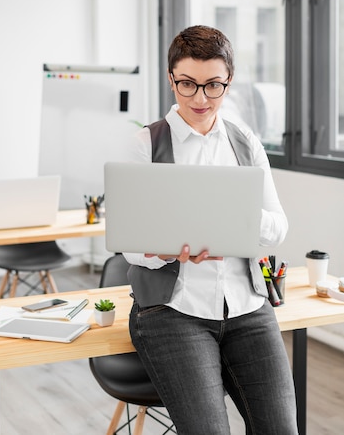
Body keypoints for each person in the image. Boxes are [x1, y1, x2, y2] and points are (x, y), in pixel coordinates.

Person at [123, 25, 298, 435]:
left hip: (248, 306)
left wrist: (231, 215)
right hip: (173, 311)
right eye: (187, 84)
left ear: (228, 82)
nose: (199, 98)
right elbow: (129, 243)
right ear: (171, 80)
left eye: (213, 86)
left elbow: (277, 227)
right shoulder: (145, 145)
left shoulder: (245, 143)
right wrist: (171, 249)